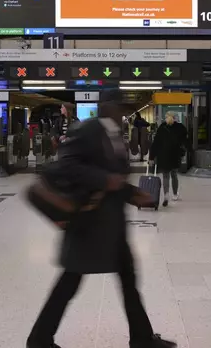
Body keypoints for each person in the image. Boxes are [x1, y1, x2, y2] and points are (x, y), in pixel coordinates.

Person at [27, 90, 176, 348]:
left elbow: (114, 178)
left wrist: (132, 194)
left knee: (129, 282)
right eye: (118, 107)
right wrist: (104, 180)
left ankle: (142, 339)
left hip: (112, 226)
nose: (121, 113)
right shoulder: (88, 130)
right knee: (68, 284)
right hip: (87, 224)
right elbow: (68, 165)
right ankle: (39, 340)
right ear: (107, 108)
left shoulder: (116, 134)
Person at [149, 112, 188, 207]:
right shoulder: (180, 127)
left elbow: (156, 143)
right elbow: (184, 142)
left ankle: (166, 195)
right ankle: (175, 194)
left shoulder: (162, 127)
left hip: (163, 155)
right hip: (175, 155)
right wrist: (184, 153)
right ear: (175, 118)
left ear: (165, 118)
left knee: (165, 176)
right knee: (174, 174)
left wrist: (151, 157)